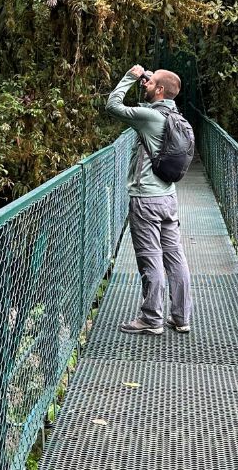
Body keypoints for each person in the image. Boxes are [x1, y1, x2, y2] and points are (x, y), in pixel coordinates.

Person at [105, 64, 193, 335]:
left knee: (150, 258)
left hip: (145, 200)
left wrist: (130, 77)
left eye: (150, 81)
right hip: (168, 198)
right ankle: (181, 317)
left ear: (160, 90)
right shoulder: (176, 116)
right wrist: (146, 80)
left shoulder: (149, 117)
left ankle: (151, 318)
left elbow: (113, 105)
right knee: (175, 257)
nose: (145, 83)